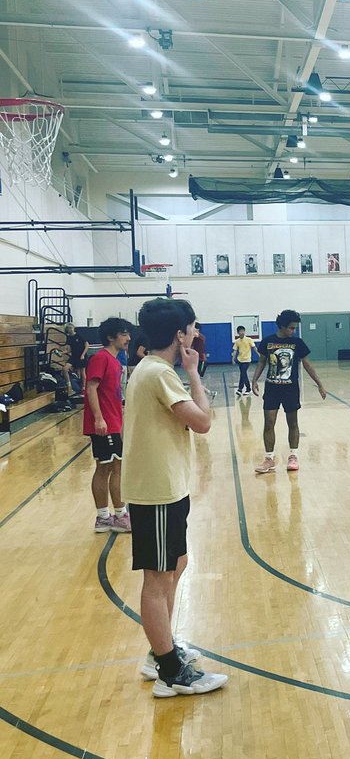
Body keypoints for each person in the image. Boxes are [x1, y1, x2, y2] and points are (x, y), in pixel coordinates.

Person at [122, 297, 227, 697]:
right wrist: (194, 373)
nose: (197, 333)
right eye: (193, 328)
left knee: (176, 563)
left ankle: (160, 651)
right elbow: (202, 421)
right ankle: (169, 671)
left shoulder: (151, 369)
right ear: (180, 334)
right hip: (156, 491)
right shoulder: (159, 372)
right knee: (157, 577)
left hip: (166, 486)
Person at [252, 309, 327, 474]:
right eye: (291, 328)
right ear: (282, 326)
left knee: (292, 423)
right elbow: (261, 362)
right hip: (272, 389)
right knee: (269, 423)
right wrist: (254, 379)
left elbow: (307, 365)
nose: (294, 331)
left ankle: (293, 456)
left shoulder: (297, 343)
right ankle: (269, 459)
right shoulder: (267, 341)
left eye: (295, 328)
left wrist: (319, 384)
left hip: (291, 389)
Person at [85, 317, 133, 534]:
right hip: (104, 424)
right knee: (111, 468)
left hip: (114, 422)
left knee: (111, 467)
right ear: (110, 337)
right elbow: (91, 387)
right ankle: (114, 516)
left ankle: (108, 516)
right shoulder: (101, 358)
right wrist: (98, 418)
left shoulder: (115, 361)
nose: (128, 338)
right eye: (123, 334)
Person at [65, 323, 89, 394]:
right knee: (65, 369)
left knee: (82, 372)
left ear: (73, 328)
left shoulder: (79, 335)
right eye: (68, 328)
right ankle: (69, 385)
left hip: (81, 355)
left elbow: (87, 345)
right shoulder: (69, 337)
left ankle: (84, 387)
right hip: (74, 356)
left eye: (71, 328)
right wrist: (62, 352)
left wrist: (83, 355)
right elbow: (69, 350)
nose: (70, 329)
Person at [232, 325, 256, 396]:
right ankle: (240, 389)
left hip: (247, 360)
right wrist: (233, 359)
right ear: (238, 332)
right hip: (240, 360)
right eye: (240, 331)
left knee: (243, 373)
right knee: (243, 374)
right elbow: (235, 351)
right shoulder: (237, 341)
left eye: (243, 331)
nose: (242, 332)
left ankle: (248, 389)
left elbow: (254, 348)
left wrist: (259, 354)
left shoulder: (249, 340)